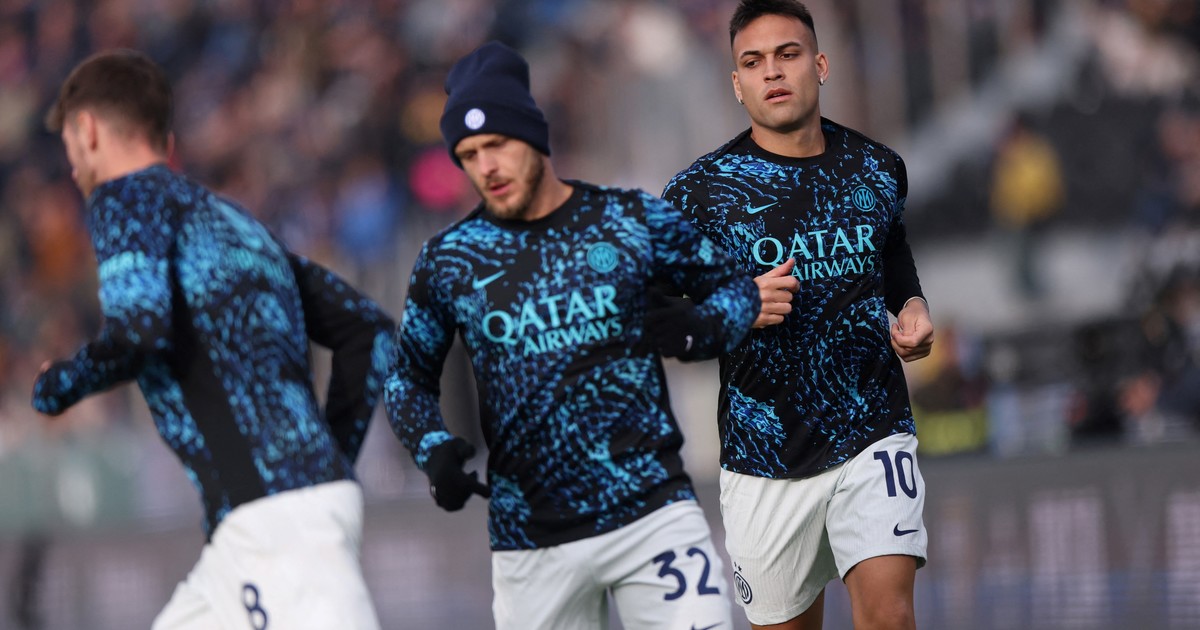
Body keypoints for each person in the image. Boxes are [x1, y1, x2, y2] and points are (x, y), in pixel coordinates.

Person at [384, 41, 758, 630]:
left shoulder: (628, 219)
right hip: (530, 540)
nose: (486, 166)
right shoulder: (449, 260)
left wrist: (697, 330)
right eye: (469, 154)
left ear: (533, 136)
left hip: (652, 513)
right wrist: (432, 450)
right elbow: (406, 380)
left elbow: (736, 288)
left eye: (498, 144)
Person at [32, 49, 393, 630]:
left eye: (69, 143)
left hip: (274, 523)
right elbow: (368, 333)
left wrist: (58, 384)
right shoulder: (238, 227)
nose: (71, 164)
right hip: (256, 525)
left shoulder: (124, 197)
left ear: (88, 129)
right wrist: (324, 462)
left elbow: (139, 330)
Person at [661, 2, 936, 628]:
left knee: (890, 616)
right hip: (765, 459)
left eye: (787, 54)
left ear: (821, 65)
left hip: (873, 429)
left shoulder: (876, 167)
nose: (772, 72)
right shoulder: (697, 195)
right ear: (737, 84)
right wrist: (736, 307)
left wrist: (913, 306)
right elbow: (655, 316)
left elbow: (892, 252)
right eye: (753, 62)